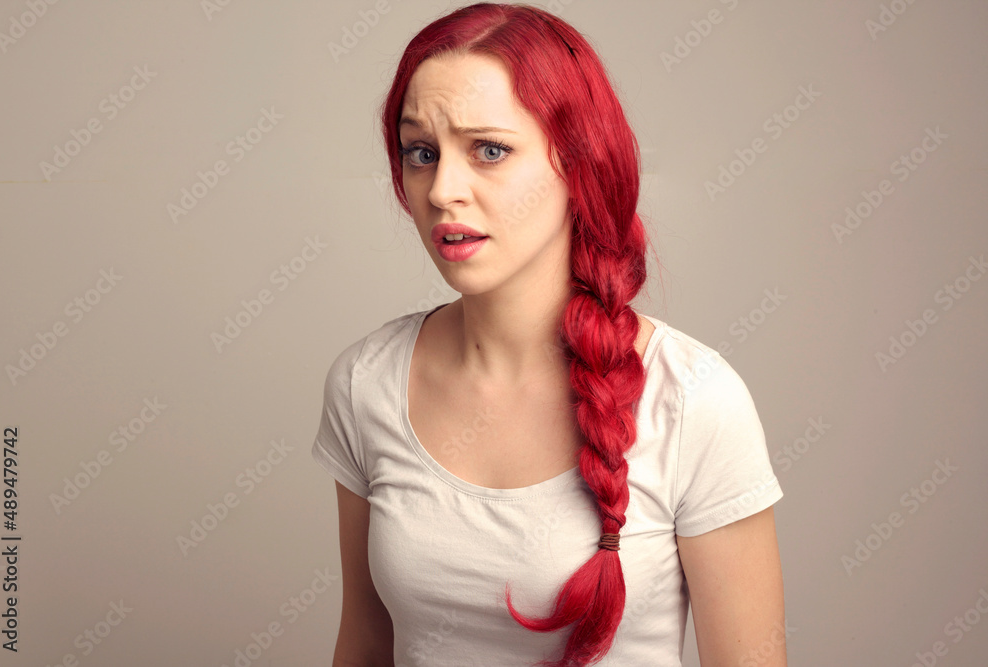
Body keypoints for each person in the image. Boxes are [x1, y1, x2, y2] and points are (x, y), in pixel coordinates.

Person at [312, 3, 786, 665]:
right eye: (422, 152)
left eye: (490, 150)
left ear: (578, 164)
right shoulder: (368, 383)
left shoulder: (693, 400)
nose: (444, 189)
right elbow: (364, 643)